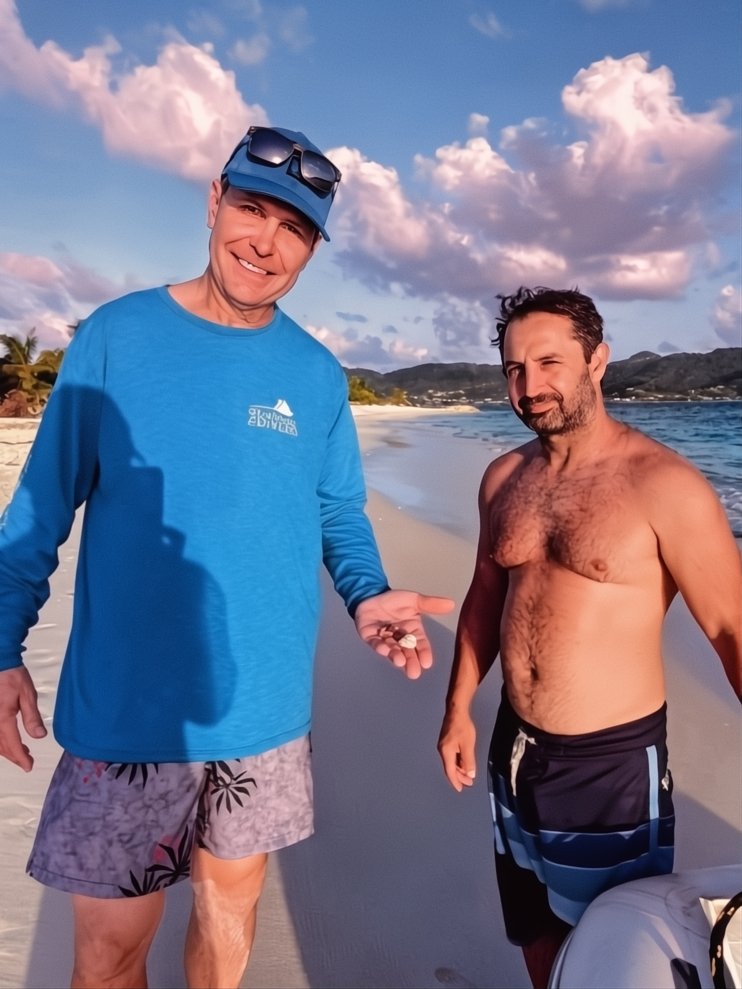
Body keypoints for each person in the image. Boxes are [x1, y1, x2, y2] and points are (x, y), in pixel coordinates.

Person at [0, 125, 453, 989]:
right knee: (106, 957)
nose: (266, 243)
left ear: (313, 248)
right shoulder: (114, 336)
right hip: (127, 713)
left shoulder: (316, 374)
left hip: (264, 717)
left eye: (295, 230)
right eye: (252, 209)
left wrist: (367, 594)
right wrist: (0, 641)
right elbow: (40, 507)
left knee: (227, 918)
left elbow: (335, 510)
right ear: (214, 202)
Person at [437, 286, 741, 988]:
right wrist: (457, 708)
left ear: (597, 360)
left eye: (550, 362)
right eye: (514, 368)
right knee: (535, 928)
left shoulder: (666, 486)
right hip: (513, 746)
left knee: (611, 948)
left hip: (610, 770)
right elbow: (488, 594)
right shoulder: (504, 478)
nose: (530, 385)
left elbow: (731, 628)